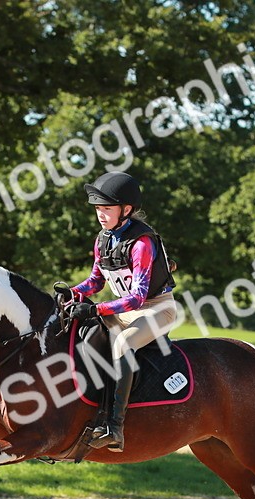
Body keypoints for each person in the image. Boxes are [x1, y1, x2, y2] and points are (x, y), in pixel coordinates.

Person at [69, 171, 178, 452]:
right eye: (98, 210)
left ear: (126, 210)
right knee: (83, 333)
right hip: (125, 310)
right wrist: (72, 293)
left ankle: (114, 427)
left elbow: (138, 297)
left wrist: (96, 308)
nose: (101, 215)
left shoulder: (142, 243)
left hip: (156, 309)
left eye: (107, 209)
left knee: (123, 342)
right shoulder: (103, 239)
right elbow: (95, 281)